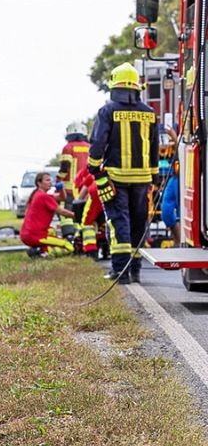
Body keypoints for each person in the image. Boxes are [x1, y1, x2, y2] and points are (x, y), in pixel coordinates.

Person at [88, 63, 159, 284]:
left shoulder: (108, 111)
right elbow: (154, 147)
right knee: (138, 223)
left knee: (119, 223)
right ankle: (135, 270)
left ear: (114, 85)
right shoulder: (150, 113)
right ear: (137, 87)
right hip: (143, 179)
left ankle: (121, 272)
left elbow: (98, 142)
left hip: (116, 178)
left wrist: (93, 167)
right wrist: (154, 176)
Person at [20, 171, 75, 256]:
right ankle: (41, 252)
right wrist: (78, 216)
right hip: (36, 235)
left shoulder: (38, 194)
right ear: (39, 183)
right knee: (69, 247)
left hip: (27, 234)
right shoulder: (44, 197)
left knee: (52, 231)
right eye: (47, 180)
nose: (50, 182)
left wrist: (61, 188)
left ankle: (38, 249)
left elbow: (62, 197)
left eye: (50, 180)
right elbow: (62, 212)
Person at [73, 165, 106, 257]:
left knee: (87, 223)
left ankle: (91, 250)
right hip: (118, 191)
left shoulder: (93, 171)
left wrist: (79, 202)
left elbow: (83, 191)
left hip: (98, 192)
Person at [57, 122, 91, 207]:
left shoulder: (68, 147)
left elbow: (65, 167)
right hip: (87, 187)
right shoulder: (90, 147)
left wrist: (58, 178)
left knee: (71, 213)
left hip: (71, 189)